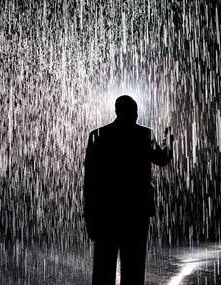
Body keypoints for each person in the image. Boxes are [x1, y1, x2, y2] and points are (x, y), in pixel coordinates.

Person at [84, 95, 173, 285]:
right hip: (136, 211)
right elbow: (162, 159)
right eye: (135, 111)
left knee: (103, 267)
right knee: (134, 267)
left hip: (106, 211)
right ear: (134, 112)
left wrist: (90, 216)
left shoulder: (98, 135)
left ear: (117, 111)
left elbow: (90, 181)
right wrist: (169, 140)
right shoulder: (144, 134)